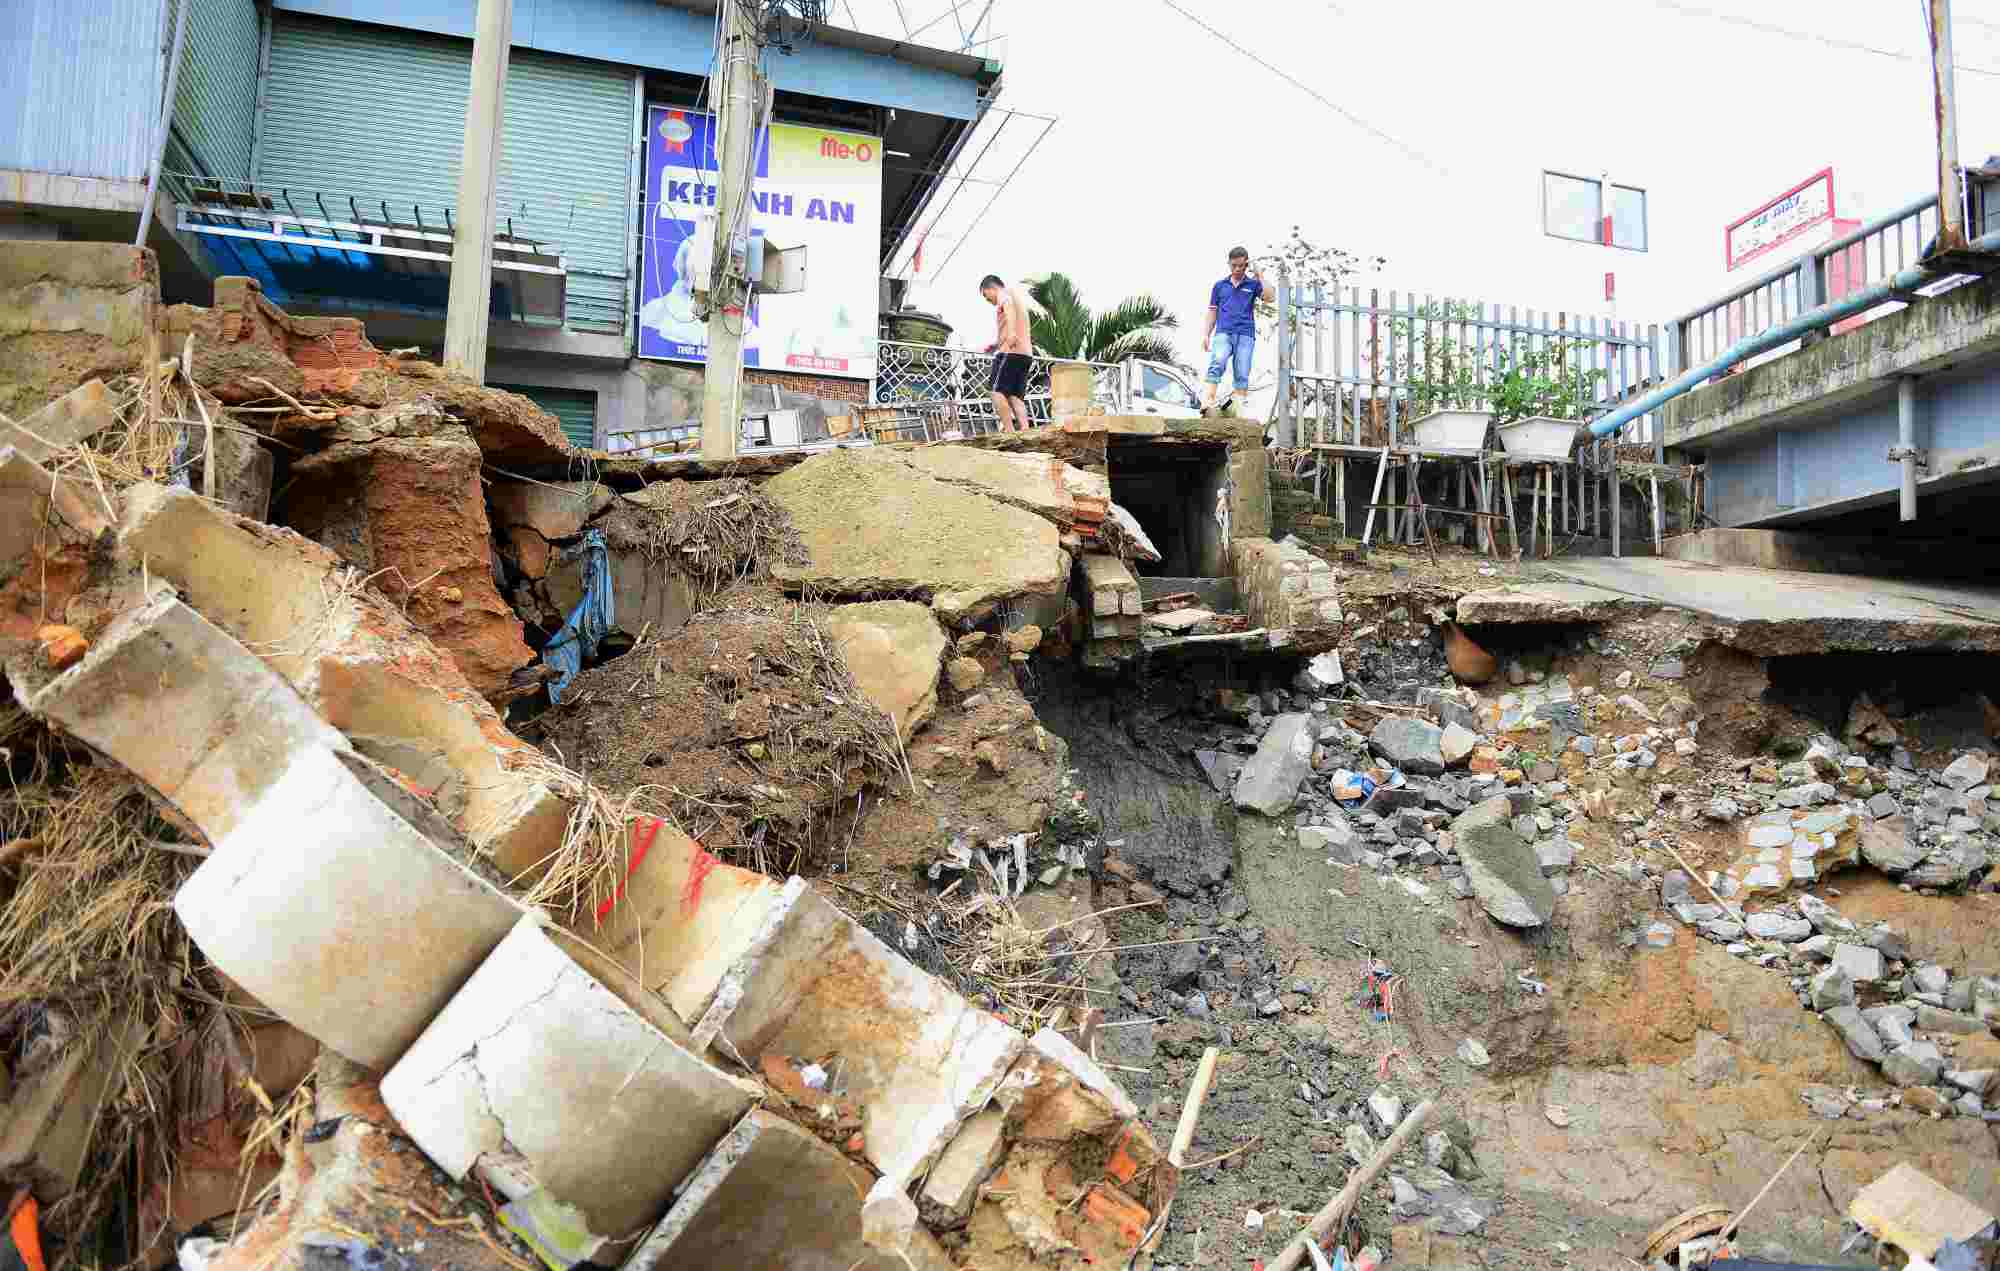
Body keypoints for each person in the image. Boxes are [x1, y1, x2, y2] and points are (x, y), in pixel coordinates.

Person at [1202, 246, 1265, 414]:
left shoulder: (1253, 285)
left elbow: (1270, 297)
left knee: (1242, 371)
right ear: (1229, 264)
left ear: (1246, 265)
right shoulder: (1220, 286)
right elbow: (1212, 310)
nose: (1237, 269)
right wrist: (1206, 334)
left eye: (1241, 266)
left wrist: (1259, 275)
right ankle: (1208, 400)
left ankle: (1238, 409)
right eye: (1234, 265)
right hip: (1224, 332)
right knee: (1218, 361)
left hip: (1245, 334)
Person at [980, 274, 1033, 432]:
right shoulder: (1018, 298)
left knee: (996, 391)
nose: (986, 299)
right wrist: (996, 344)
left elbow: (1007, 306)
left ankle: (1008, 431)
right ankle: (1025, 429)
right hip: (1025, 354)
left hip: (1010, 351)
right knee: (1015, 395)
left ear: (992, 288)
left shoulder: (1005, 294)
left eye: (985, 294)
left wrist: (1010, 334)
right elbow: (1017, 324)